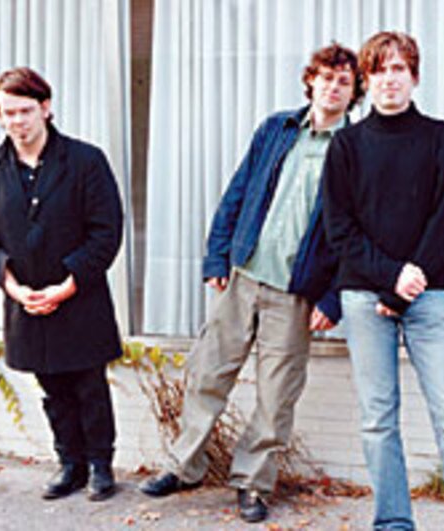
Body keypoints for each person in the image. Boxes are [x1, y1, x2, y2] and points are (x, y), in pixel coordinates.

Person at [139, 42, 363, 523]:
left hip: (297, 291)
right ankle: (184, 466)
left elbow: (358, 232)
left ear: (354, 92)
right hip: (242, 275)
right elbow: (238, 192)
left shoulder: (356, 149)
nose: (333, 87)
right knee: (208, 372)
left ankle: (253, 484)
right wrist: (217, 254)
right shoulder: (277, 129)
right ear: (310, 81)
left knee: (276, 395)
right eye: (326, 77)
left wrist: (333, 298)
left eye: (344, 81)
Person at [322, 31, 444, 531]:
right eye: (379, 70)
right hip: (364, 298)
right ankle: (393, 522)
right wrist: (392, 277)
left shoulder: (441, 138)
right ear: (366, 80)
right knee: (378, 420)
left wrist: (407, 283)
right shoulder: (347, 146)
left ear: (414, 76)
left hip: (429, 296)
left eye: (398, 69)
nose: (389, 80)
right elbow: (340, 230)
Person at [0, 67, 124, 501]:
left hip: (80, 296)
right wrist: (14, 288)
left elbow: (106, 231)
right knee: (52, 389)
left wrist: (68, 284)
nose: (17, 121)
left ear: (45, 108)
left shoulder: (86, 161)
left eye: (25, 111)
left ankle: (100, 466)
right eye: (8, 113)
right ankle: (69, 465)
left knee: (89, 386)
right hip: (26, 300)